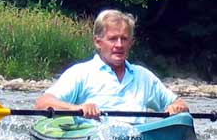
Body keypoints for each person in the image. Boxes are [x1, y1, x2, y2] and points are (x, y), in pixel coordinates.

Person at [35, 9, 189, 123]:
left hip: (137, 139)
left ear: (131, 43)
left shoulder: (144, 77)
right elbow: (43, 103)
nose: (119, 45)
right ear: (98, 42)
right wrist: (77, 108)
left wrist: (177, 108)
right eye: (113, 39)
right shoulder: (80, 73)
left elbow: (179, 103)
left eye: (124, 39)